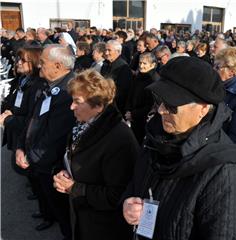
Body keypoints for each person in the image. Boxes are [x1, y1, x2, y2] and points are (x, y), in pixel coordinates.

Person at [122, 57, 236, 240]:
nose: (162, 110)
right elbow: (136, 184)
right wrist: (128, 203)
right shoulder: (156, 139)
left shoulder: (225, 173)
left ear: (203, 109)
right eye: (159, 100)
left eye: (171, 105)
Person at [53, 69, 140, 240]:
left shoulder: (119, 138)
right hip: (84, 219)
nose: (71, 106)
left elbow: (118, 195)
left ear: (98, 105)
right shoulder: (84, 124)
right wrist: (64, 171)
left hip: (104, 228)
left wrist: (73, 188)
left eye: (77, 101)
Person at [15, 44, 76, 239]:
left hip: (50, 165)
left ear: (58, 66)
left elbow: (54, 138)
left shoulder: (68, 92)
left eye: (43, 62)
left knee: (63, 214)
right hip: (37, 159)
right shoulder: (44, 85)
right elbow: (32, 120)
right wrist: (19, 148)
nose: (38, 66)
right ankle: (49, 217)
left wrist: (31, 159)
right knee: (50, 204)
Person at [1, 46, 44, 175]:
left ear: (34, 62)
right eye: (19, 59)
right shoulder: (23, 79)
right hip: (17, 129)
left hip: (24, 132)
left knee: (27, 170)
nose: (18, 62)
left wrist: (9, 118)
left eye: (23, 60)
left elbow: (32, 118)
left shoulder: (37, 85)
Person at [125, 52, 159, 144]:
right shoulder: (139, 76)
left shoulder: (154, 80)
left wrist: (133, 114)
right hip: (133, 117)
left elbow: (151, 105)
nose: (141, 65)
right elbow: (131, 94)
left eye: (144, 63)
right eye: (140, 63)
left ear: (153, 65)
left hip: (143, 121)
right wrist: (128, 111)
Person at [100, 40, 132, 115]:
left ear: (118, 52)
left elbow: (123, 90)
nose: (106, 53)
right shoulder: (105, 64)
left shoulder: (123, 67)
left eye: (109, 50)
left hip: (115, 106)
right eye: (106, 50)